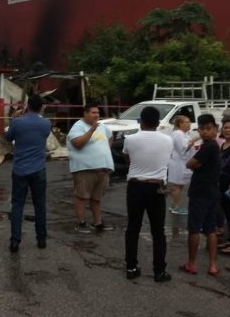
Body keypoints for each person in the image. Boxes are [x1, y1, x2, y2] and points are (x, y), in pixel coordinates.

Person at [122, 106, 173, 282]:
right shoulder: (168, 140)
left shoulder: (130, 139)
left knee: (133, 227)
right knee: (158, 231)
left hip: (135, 186)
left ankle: (131, 267)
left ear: (141, 121)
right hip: (157, 188)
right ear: (158, 123)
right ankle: (159, 271)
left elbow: (129, 160)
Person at [4, 94, 52, 253]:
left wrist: (13, 118)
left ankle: (15, 241)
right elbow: (43, 135)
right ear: (41, 107)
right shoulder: (46, 124)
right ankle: (41, 239)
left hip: (20, 169)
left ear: (27, 106)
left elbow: (8, 137)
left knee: (17, 205)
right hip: (38, 169)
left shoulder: (18, 123)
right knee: (40, 204)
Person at [181, 114, 220, 276]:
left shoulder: (208, 147)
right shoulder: (214, 146)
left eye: (208, 129)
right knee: (211, 229)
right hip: (213, 191)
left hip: (200, 193)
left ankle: (192, 263)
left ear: (215, 130)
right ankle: (212, 265)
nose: (204, 132)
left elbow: (190, 163)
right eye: (202, 129)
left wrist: (194, 164)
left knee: (194, 229)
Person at [66, 102, 114, 233]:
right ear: (85, 113)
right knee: (81, 196)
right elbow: (77, 144)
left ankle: (97, 222)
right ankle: (81, 223)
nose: (96, 115)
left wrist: (105, 151)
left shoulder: (102, 127)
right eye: (93, 112)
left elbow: (110, 137)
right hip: (85, 168)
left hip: (102, 168)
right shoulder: (78, 126)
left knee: (97, 198)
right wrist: (91, 130)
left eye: (98, 113)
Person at [167, 116, 197, 214]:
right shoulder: (178, 134)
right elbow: (183, 149)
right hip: (178, 163)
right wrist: (195, 140)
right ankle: (176, 207)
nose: (189, 124)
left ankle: (174, 205)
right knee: (178, 185)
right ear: (180, 124)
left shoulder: (183, 134)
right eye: (187, 122)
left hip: (180, 162)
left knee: (179, 185)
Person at [217, 118, 230, 251]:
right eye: (225, 127)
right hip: (221, 181)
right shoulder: (223, 144)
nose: (227, 130)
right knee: (227, 212)